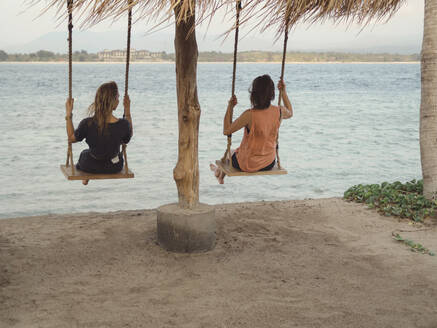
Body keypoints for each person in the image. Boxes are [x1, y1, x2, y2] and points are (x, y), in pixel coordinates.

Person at [210, 74, 293, 184]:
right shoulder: (279, 111)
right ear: (272, 94)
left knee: (230, 153)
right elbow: (290, 113)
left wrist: (230, 106)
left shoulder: (249, 115)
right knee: (233, 154)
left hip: (248, 164)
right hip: (269, 162)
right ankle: (219, 175)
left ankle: (218, 172)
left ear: (253, 94)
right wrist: (283, 92)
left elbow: (226, 131)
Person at [65, 81, 133, 185]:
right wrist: (127, 110)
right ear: (113, 102)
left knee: (85, 153)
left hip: (90, 166)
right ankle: (88, 174)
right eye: (118, 98)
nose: (119, 101)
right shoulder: (123, 124)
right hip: (114, 167)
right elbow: (128, 138)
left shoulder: (87, 123)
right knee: (116, 155)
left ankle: (87, 176)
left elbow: (71, 138)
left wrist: (68, 114)